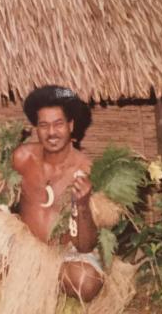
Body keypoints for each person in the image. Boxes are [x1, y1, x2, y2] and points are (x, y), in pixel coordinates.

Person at [13, 85, 103, 302]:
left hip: (66, 255)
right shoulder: (22, 158)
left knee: (87, 281)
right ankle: (28, 279)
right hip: (24, 249)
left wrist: (83, 204)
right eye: (44, 125)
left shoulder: (88, 171)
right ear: (36, 128)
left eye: (58, 124)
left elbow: (85, 246)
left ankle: (41, 282)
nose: (51, 132)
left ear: (71, 125)